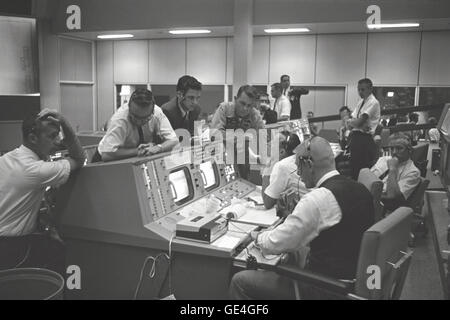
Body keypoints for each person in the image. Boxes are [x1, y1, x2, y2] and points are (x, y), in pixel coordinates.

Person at [229, 137, 374, 300]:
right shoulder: (360, 189)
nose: (298, 173)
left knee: (240, 280)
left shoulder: (319, 199)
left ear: (309, 165)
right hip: (355, 279)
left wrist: (257, 237)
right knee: (291, 256)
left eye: (299, 167)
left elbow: (275, 243)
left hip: (325, 288)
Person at [0, 109, 86, 275]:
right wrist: (66, 124)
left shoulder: (9, 158)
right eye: (52, 136)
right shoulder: (35, 170)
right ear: (33, 138)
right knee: (60, 251)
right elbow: (79, 159)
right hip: (11, 246)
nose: (57, 141)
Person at [97, 88, 178, 162]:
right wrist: (137, 151)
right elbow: (106, 155)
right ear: (129, 108)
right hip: (106, 161)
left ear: (152, 112)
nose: (139, 122)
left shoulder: (157, 113)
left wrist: (159, 148)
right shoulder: (120, 120)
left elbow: (174, 140)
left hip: (135, 158)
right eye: (135, 116)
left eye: (145, 118)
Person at [371, 132, 420, 212]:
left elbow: (391, 196)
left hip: (383, 207)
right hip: (368, 195)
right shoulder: (383, 159)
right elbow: (369, 178)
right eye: (391, 148)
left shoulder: (413, 172)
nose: (394, 152)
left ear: (409, 150)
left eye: (399, 148)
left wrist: (392, 169)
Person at [262, 131, 307, 209]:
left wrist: (267, 169)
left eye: (272, 143)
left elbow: (267, 203)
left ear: (282, 152)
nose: (268, 144)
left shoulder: (282, 166)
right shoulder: (297, 159)